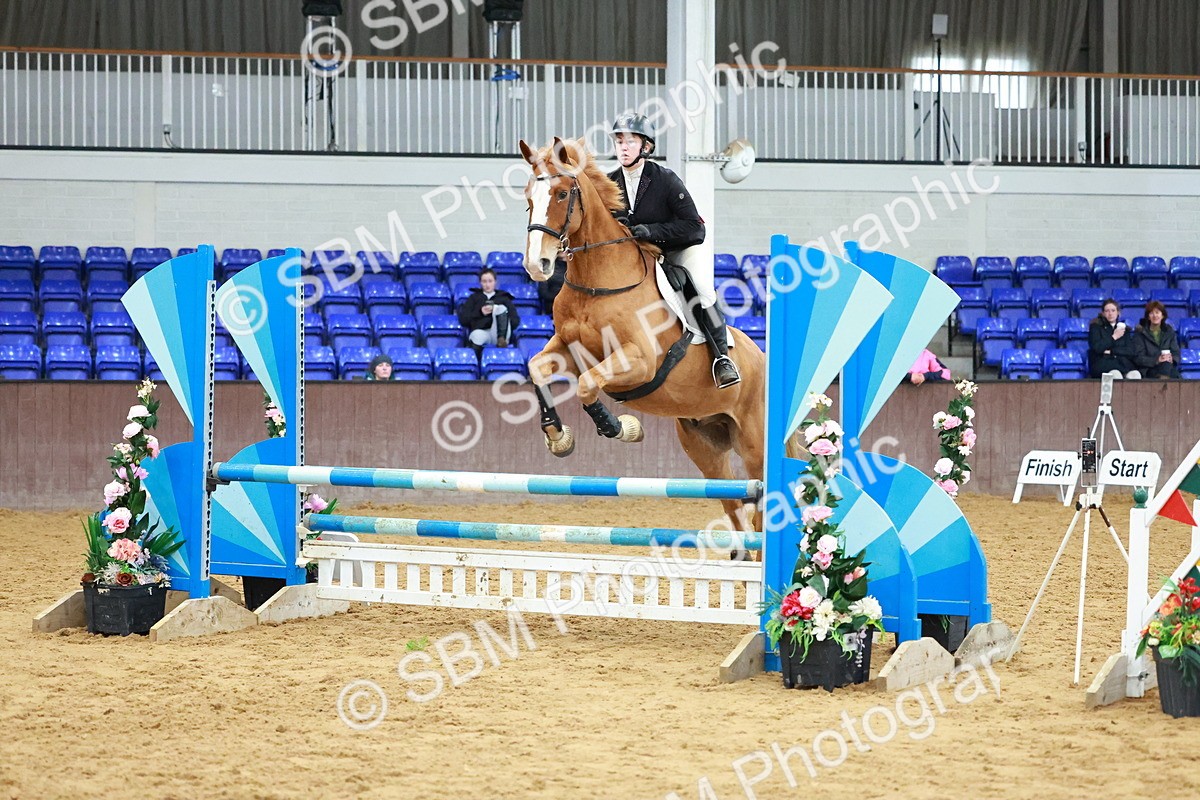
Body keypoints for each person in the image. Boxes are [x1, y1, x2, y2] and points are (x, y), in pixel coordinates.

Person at [607, 113, 740, 389]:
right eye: (619, 141)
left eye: (630, 141)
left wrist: (652, 231)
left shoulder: (665, 179)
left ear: (646, 147)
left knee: (702, 287)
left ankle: (722, 359)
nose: (623, 147)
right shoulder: (610, 183)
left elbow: (695, 227)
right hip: (638, 258)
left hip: (679, 250)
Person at [457, 268, 520, 356]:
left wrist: (499, 314)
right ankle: (476, 364)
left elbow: (515, 320)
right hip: (482, 331)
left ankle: (501, 339)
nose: (487, 284)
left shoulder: (504, 298)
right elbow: (464, 319)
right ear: (480, 283)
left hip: (500, 331)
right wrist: (480, 312)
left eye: (490, 281)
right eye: (484, 281)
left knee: (500, 308)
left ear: (495, 282)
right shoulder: (474, 298)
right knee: (476, 336)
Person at [1088, 298, 1141, 379]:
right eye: (1107, 311)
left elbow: (1130, 351)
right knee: (1116, 375)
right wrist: (1114, 337)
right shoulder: (1095, 327)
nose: (1110, 313)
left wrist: (1112, 351)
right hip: (1103, 365)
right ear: (1103, 313)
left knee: (1135, 374)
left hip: (1122, 365)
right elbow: (1097, 348)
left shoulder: (1125, 329)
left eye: (1113, 310)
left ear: (1118, 312)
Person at [1131, 300, 1182, 379]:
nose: (1155, 315)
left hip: (1167, 367)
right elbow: (1138, 358)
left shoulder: (1169, 332)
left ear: (1163, 315)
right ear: (1148, 317)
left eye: (1157, 312)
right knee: (1175, 375)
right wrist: (1157, 360)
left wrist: (1172, 359)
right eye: (1151, 313)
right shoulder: (1140, 333)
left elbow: (1176, 352)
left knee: (1168, 367)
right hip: (1148, 369)